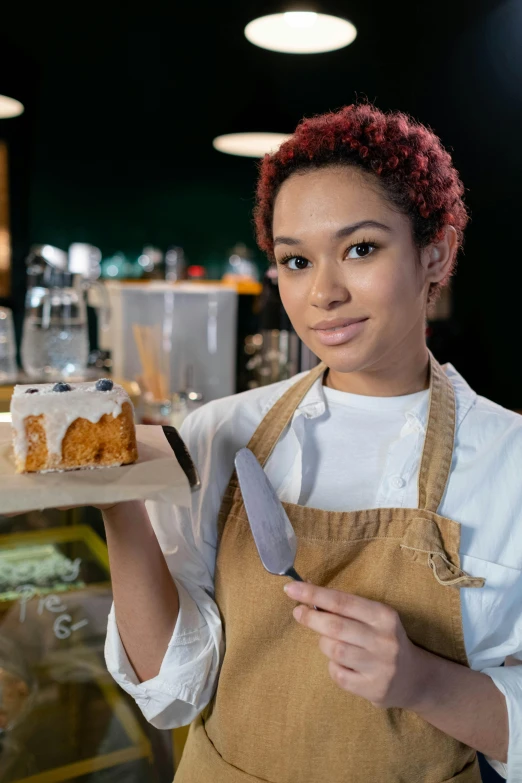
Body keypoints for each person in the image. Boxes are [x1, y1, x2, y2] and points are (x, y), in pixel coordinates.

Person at [103, 103, 522, 782]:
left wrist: (423, 682)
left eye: (360, 248)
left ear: (435, 252)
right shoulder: (219, 434)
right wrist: (120, 498)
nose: (323, 292)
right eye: (296, 259)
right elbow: (173, 690)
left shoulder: (511, 461)